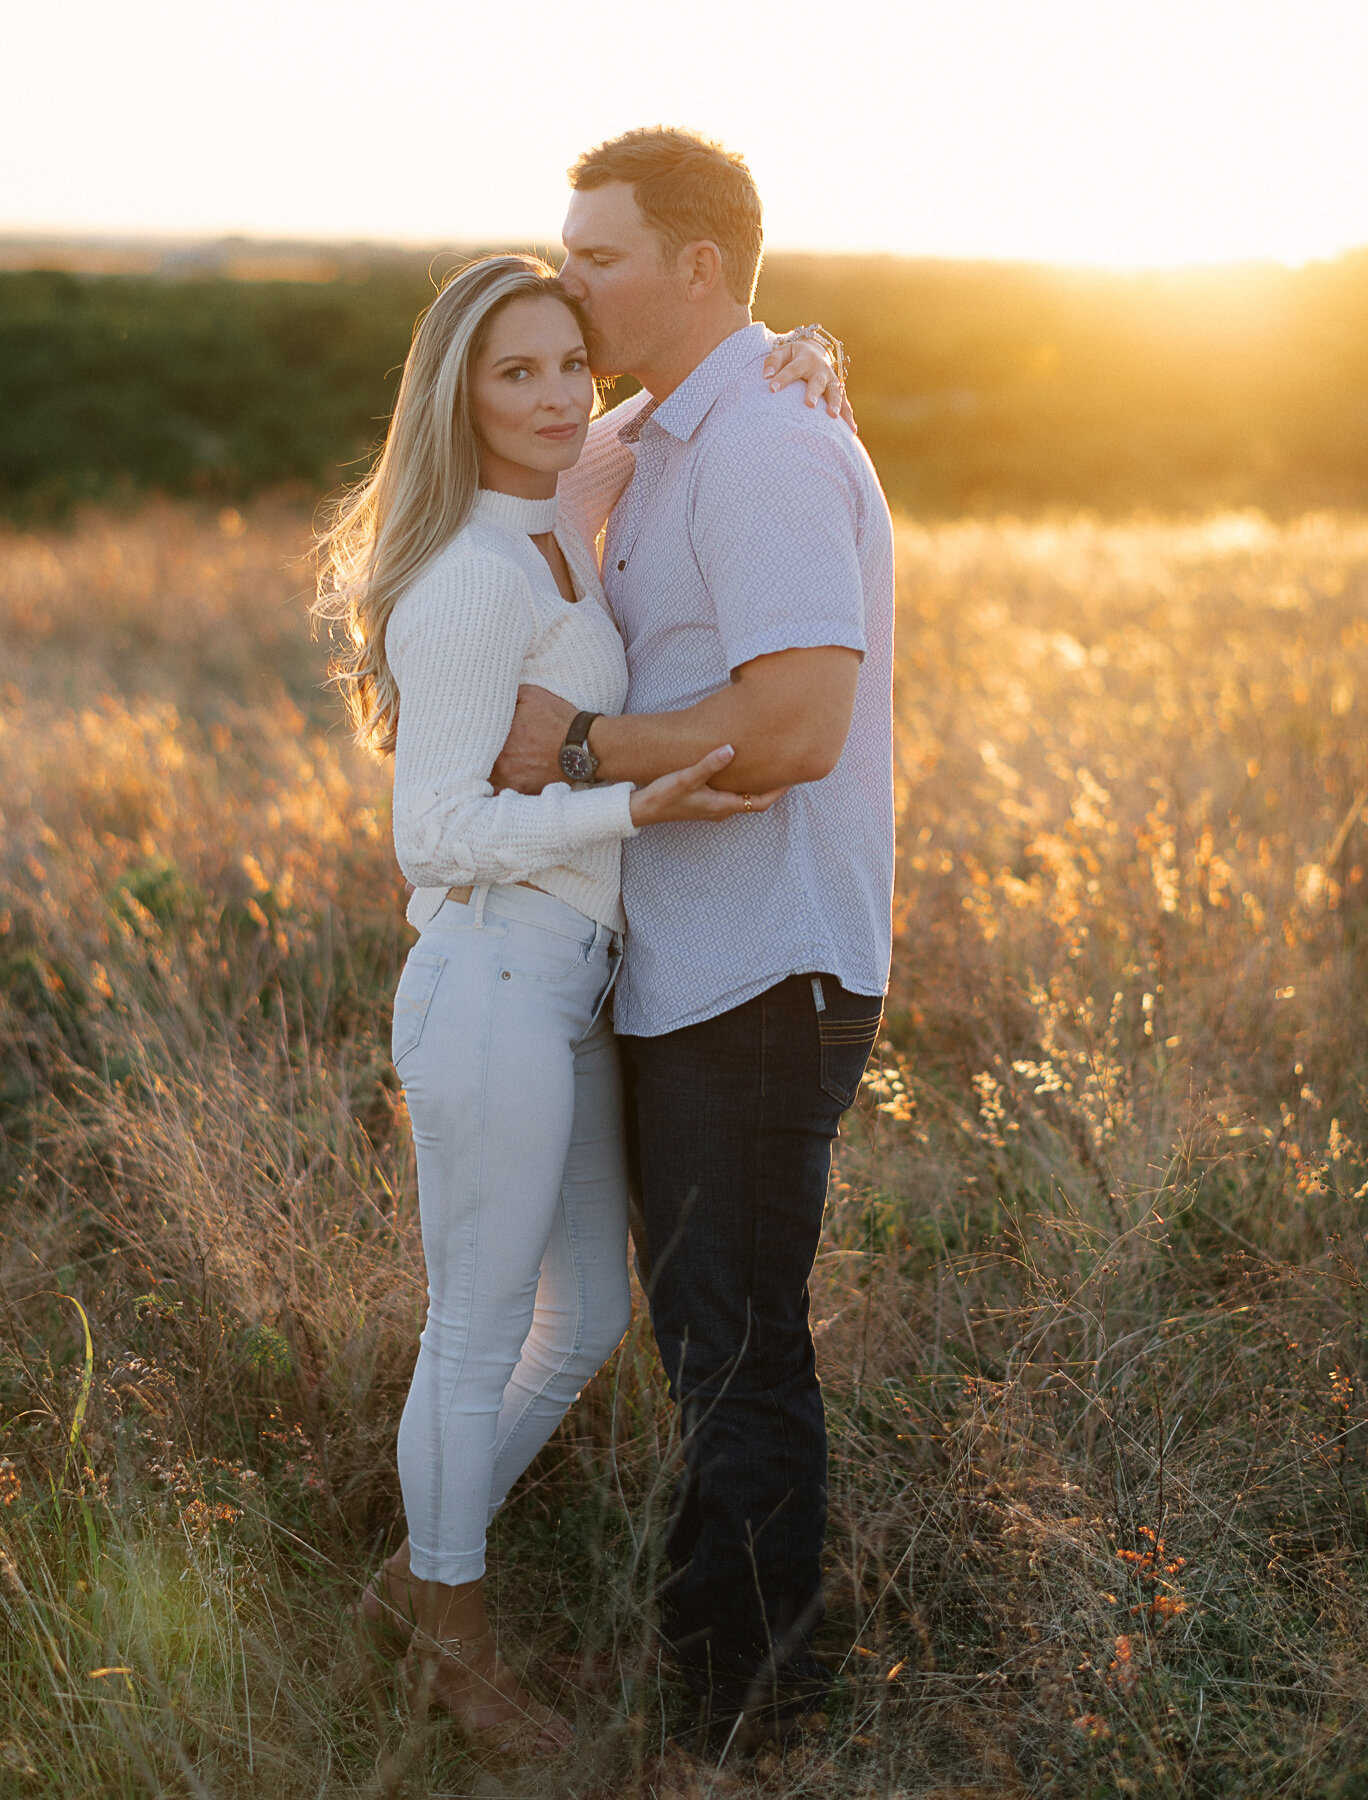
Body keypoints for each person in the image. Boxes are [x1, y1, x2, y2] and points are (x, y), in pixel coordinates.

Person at [313, 252, 847, 1756]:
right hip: (491, 972)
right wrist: (632, 810)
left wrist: (791, 349)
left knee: (585, 1319)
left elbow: (684, 410)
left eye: (571, 363)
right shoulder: (475, 579)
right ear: (455, 397)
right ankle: (459, 1655)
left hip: (572, 983)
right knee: (482, 1331)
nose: (559, 397)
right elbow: (433, 841)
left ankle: (417, 1581)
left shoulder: (562, 494)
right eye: (515, 374)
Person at [490, 128, 896, 1750]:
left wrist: (576, 757)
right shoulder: (670, 432)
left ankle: (739, 1729)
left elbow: (796, 723)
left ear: (698, 265)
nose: (565, 276)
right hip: (687, 967)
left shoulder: (768, 449)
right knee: (707, 1345)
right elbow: (486, 486)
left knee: (737, 1359)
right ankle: (722, 1677)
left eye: (595, 254)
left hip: (763, 969)